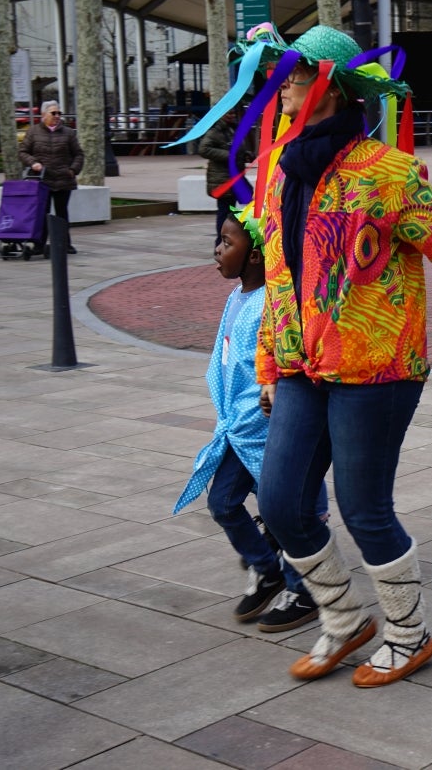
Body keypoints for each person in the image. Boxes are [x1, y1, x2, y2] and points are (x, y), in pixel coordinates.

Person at [232, 25, 432, 687]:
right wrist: (267, 364)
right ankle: (344, 619)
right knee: (283, 501)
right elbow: (280, 275)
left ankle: (409, 633)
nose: (281, 84)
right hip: (299, 365)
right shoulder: (282, 171)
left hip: (379, 365)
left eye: (295, 73)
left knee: (363, 504)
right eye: (279, 74)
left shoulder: (390, 173)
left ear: (331, 84)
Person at [172, 204, 320, 633]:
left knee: (283, 510)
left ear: (255, 254)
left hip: (265, 427)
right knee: (223, 503)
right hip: (237, 428)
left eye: (226, 242)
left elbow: (277, 359)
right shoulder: (235, 297)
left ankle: (303, 589)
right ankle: (266, 568)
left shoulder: (273, 303)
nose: (217, 251)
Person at [18, 99, 83, 254]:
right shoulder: (33, 132)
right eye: (53, 113)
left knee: (62, 213)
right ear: (43, 114)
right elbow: (22, 152)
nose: (57, 116)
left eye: (59, 113)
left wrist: (73, 170)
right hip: (42, 180)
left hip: (63, 178)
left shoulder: (68, 133)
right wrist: (33, 163)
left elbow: (79, 154)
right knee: (42, 213)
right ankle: (39, 245)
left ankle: (65, 244)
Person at [199, 107, 254, 242]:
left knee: (250, 202)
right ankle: (221, 244)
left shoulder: (233, 129)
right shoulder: (215, 131)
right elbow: (203, 149)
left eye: (233, 113)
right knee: (225, 211)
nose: (232, 116)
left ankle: (239, 238)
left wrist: (246, 155)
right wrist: (228, 156)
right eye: (228, 113)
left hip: (235, 177)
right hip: (223, 179)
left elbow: (238, 149)